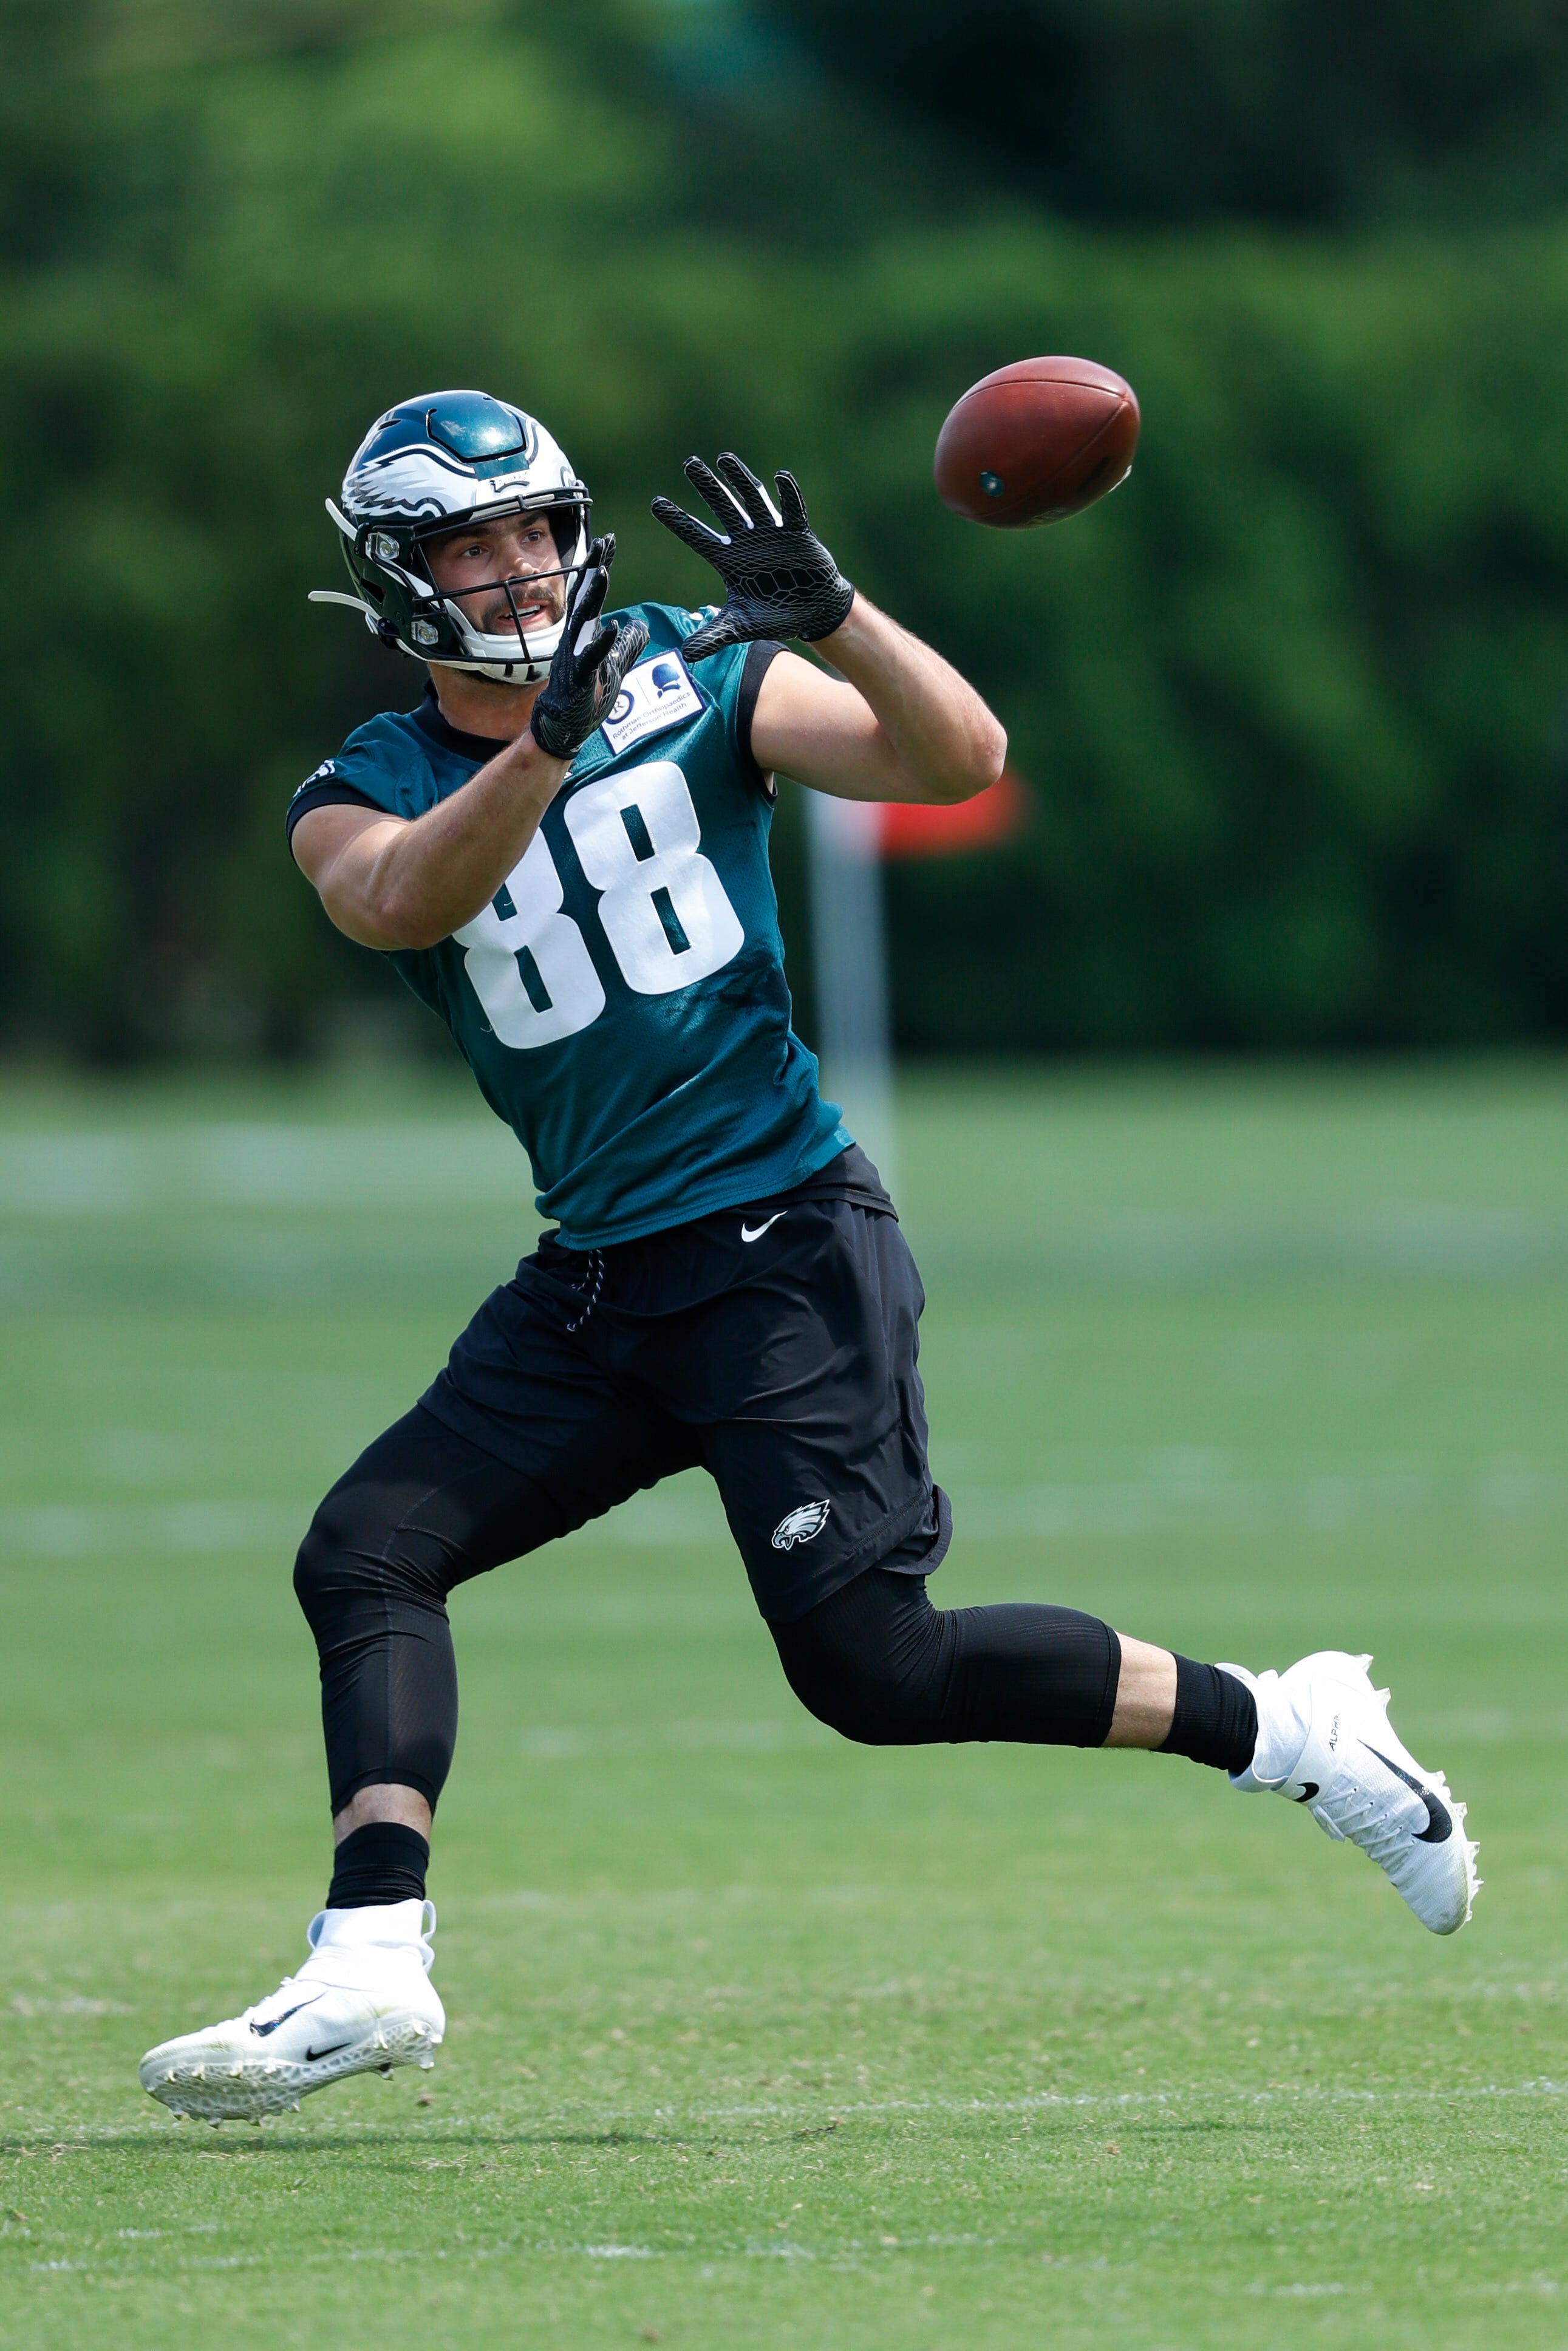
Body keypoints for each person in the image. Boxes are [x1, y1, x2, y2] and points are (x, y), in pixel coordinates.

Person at [139, 390, 1478, 2124]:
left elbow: (958, 761)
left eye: (540, 527)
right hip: (601, 1275)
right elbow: (403, 899)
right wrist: (544, 742)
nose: (522, 566)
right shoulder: (364, 784)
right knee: (370, 1551)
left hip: (780, 1246)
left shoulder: (694, 674)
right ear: (399, 579)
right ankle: (370, 1960)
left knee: (876, 1674)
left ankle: (1291, 1730)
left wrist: (838, 612)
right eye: (474, 542)